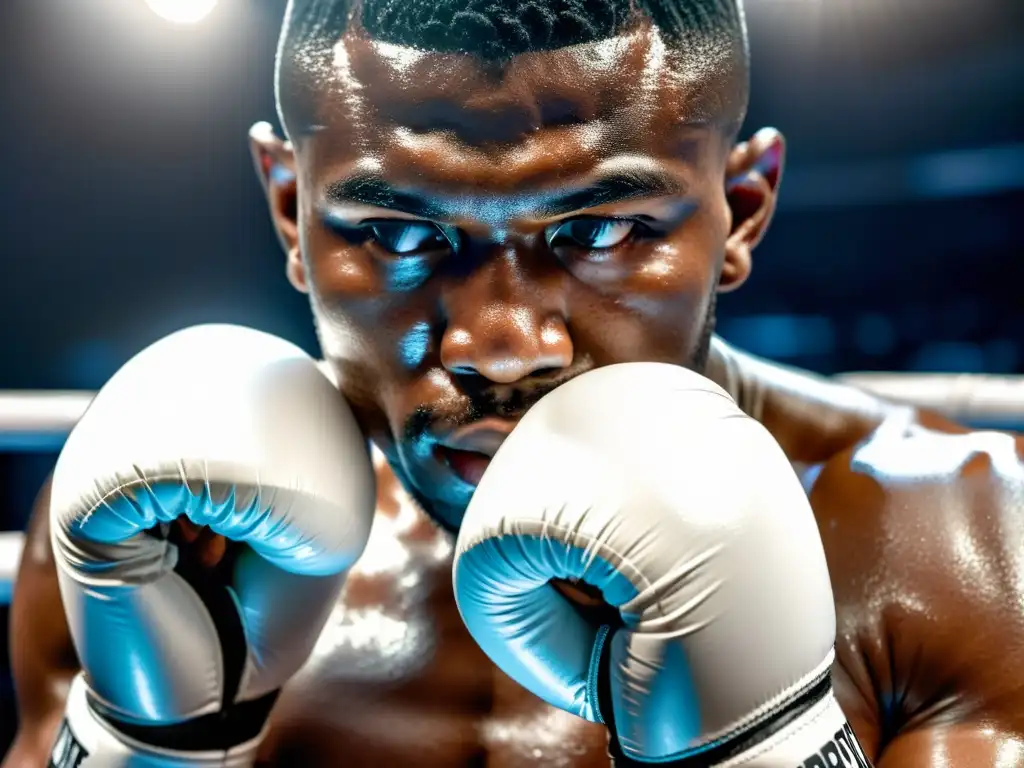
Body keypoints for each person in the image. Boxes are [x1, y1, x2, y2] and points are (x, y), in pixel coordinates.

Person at [6, 0, 1024, 765]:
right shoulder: (163, 542)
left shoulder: (957, 546)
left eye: (601, 231)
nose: (499, 344)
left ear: (742, 213)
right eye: (400, 233)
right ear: (290, 215)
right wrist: (144, 739)